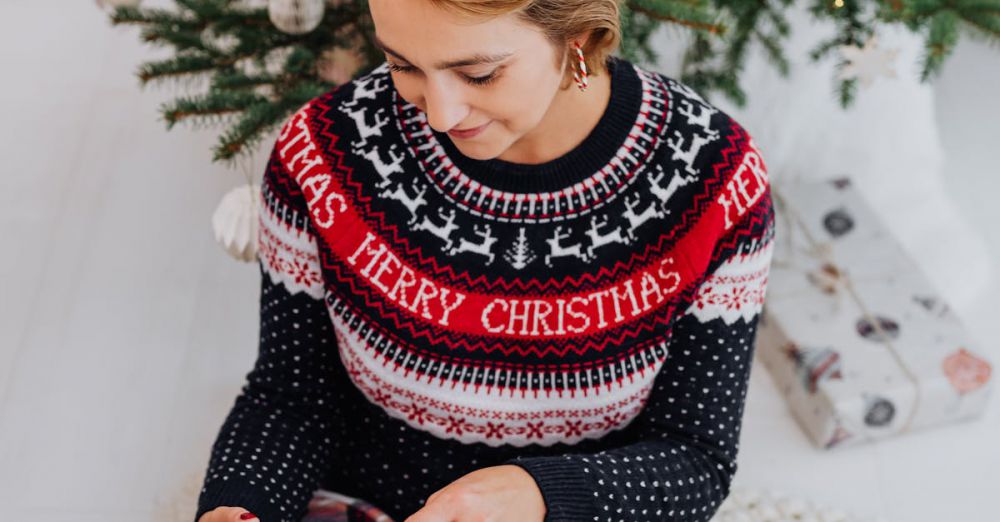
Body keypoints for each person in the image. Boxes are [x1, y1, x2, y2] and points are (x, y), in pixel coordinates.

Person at [194, 0, 775, 521]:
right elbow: (292, 396)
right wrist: (240, 501)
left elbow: (696, 459)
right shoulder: (324, 153)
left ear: (575, 33)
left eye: (478, 73)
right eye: (402, 64)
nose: (440, 114)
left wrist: (537, 495)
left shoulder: (714, 182)